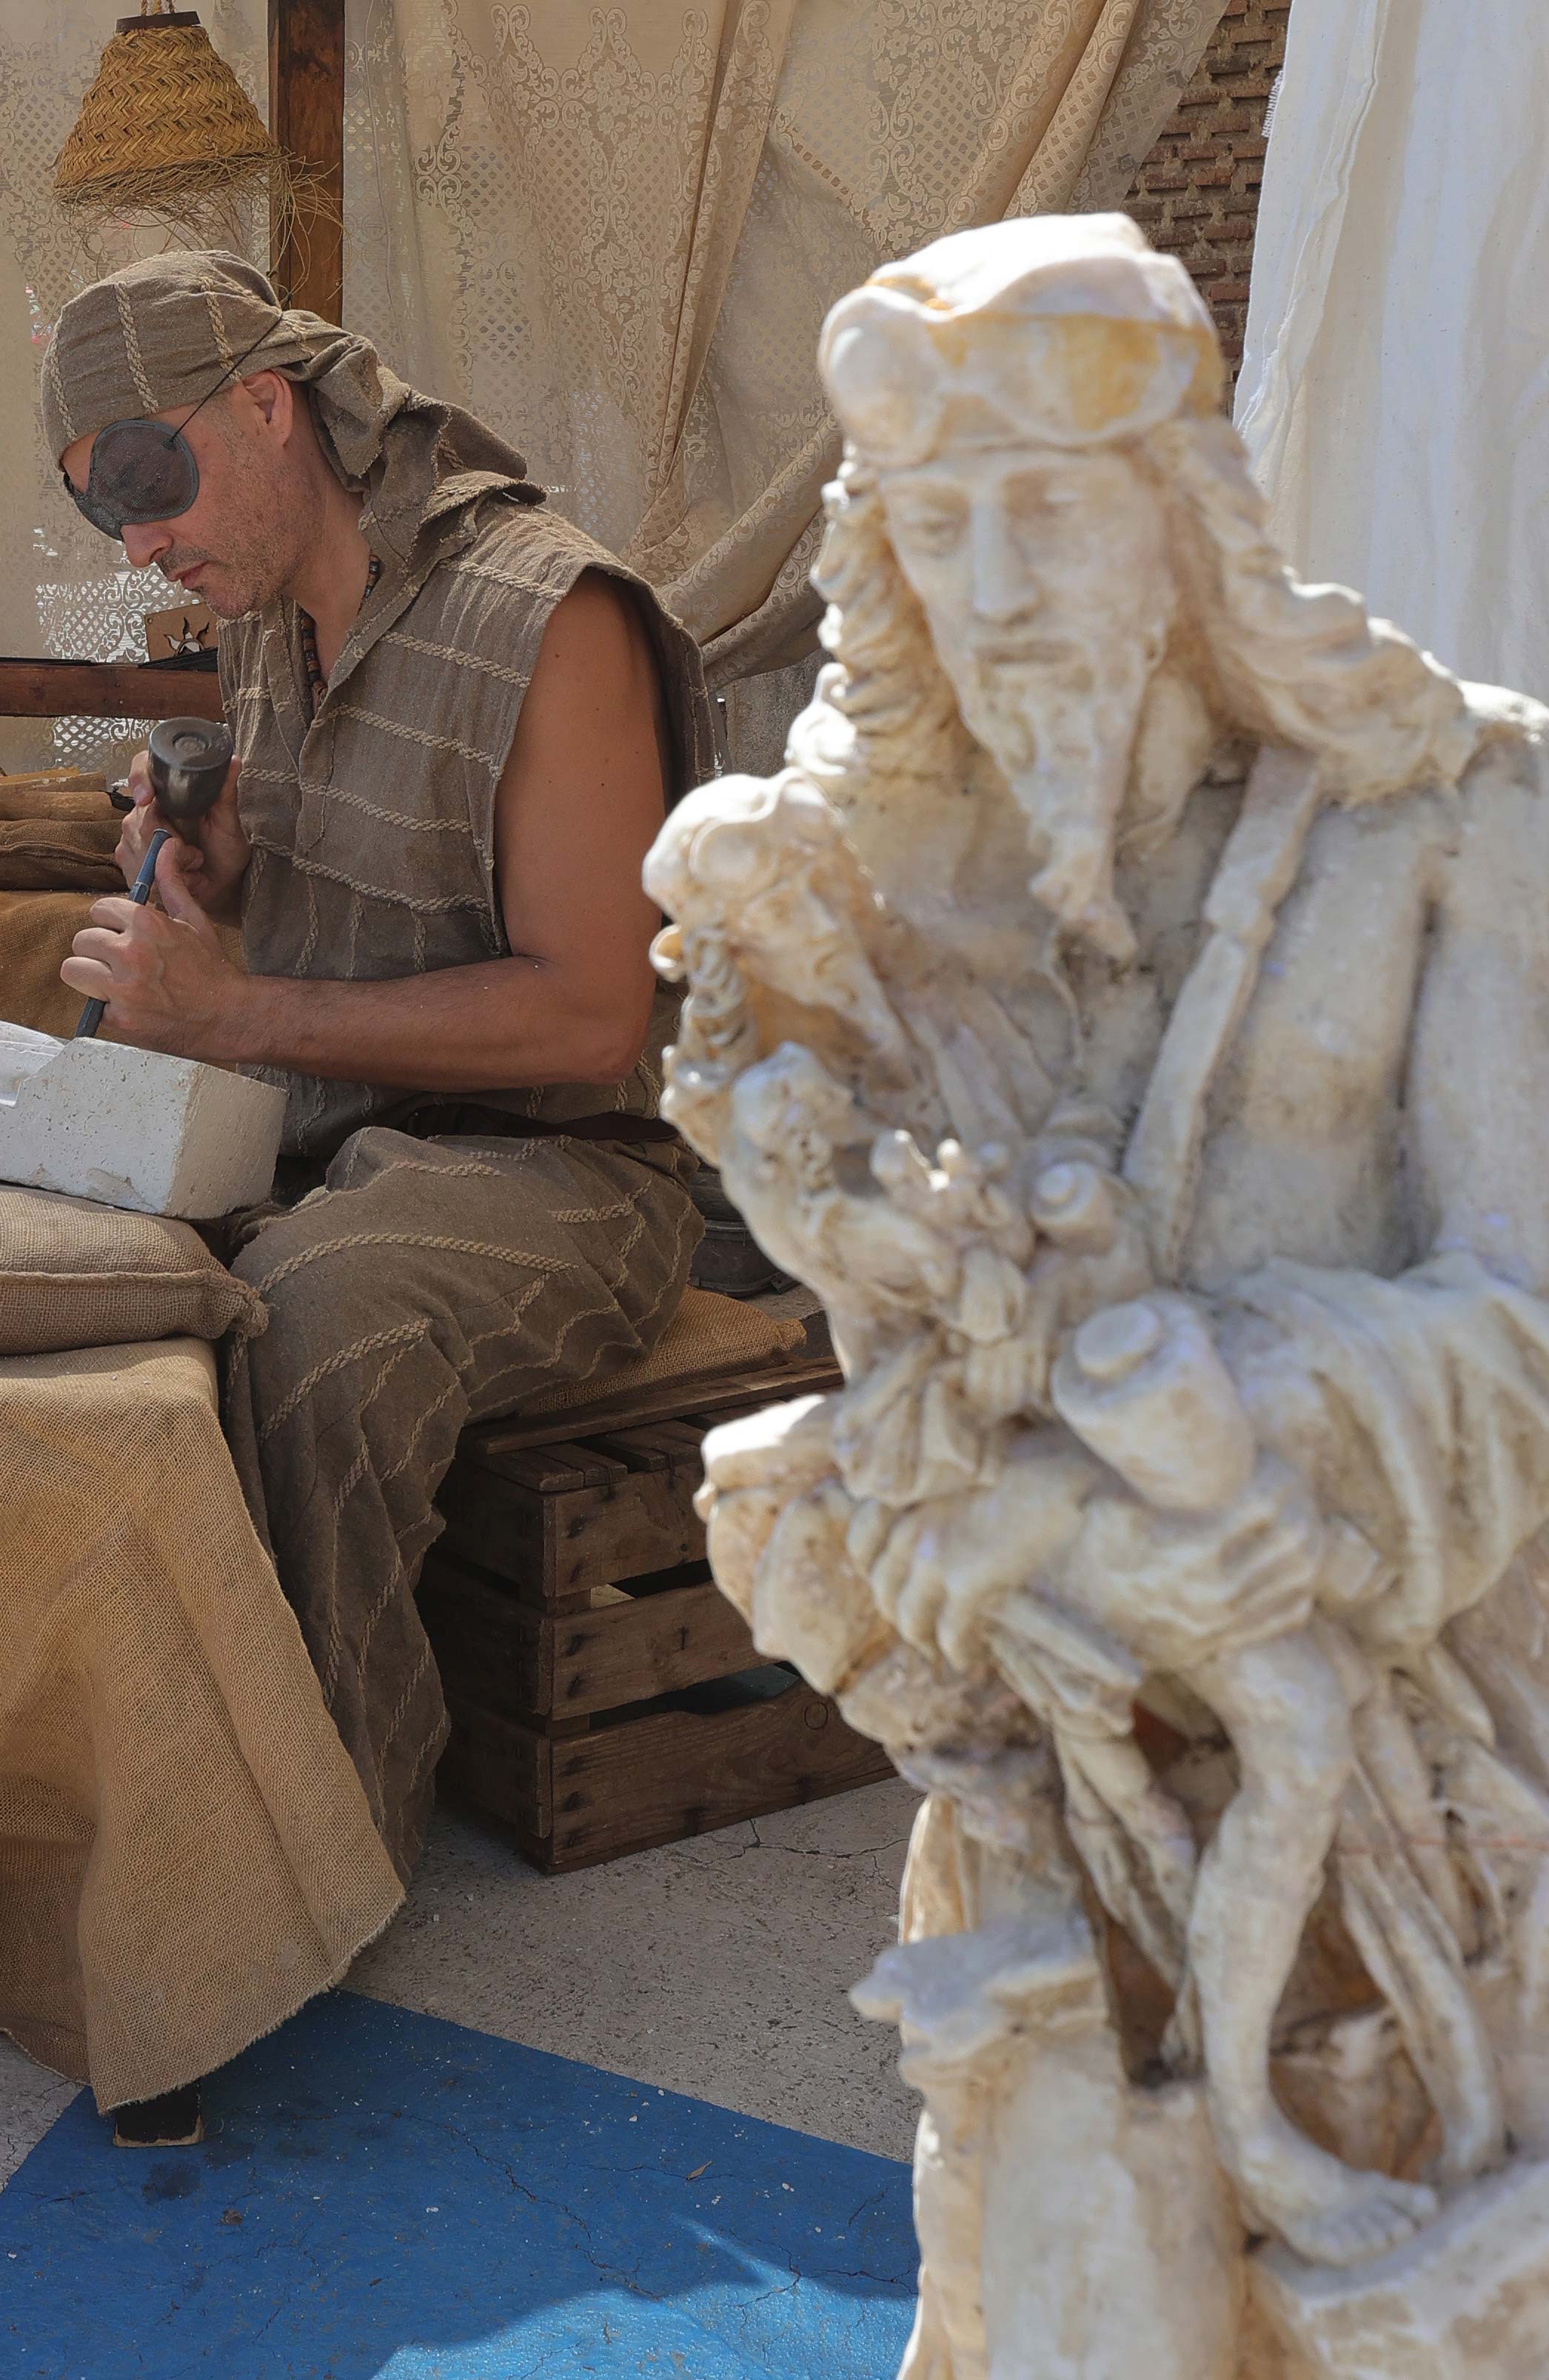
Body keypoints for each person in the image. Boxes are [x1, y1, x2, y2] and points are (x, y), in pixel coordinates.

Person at [654, 212, 1549, 2362]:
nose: (997, 594)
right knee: (1064, 2264)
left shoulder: (1441, 815)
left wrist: (1239, 1407)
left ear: (1180, 521)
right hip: (1051, 1767)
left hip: (1434, 1777)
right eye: (940, 531)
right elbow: (881, 1330)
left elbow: (1528, 1306)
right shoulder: (858, 899)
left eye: (1047, 515)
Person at [37, 250, 706, 1913]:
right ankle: (119, 1763)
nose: (138, 544)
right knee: (67, 1251)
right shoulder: (266, 627)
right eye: (102, 512)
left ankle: (315, 1850)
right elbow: (337, 888)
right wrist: (222, 861)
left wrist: (241, 1009)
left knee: (316, 1320)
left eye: (146, 480)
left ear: (267, 406)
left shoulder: (553, 617)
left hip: (571, 1176)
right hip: (334, 1139)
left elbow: (588, 1017)